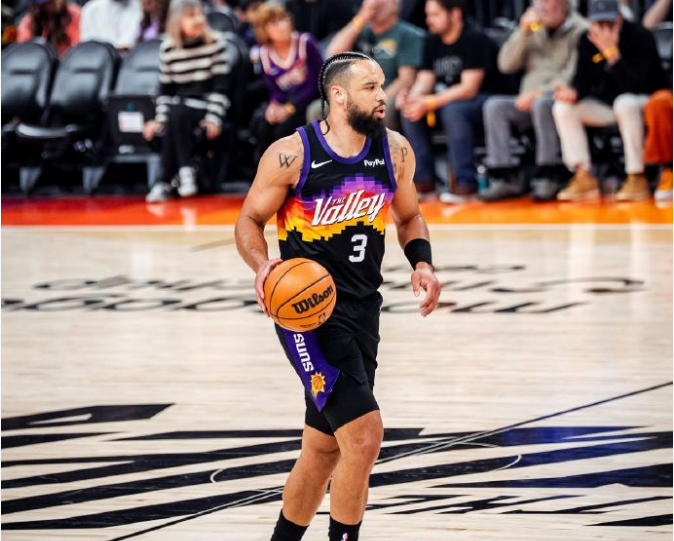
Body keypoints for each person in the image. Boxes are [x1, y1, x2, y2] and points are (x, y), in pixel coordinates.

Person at [235, 52, 441, 541]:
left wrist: (423, 262)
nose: (383, 95)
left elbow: (409, 216)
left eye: (382, 85)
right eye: (371, 87)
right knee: (364, 437)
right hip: (307, 317)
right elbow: (249, 220)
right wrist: (262, 265)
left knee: (322, 449)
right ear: (338, 95)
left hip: (364, 310)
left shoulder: (395, 151)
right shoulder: (292, 154)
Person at [398, 0, 514, 201]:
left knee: (454, 110)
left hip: (487, 99)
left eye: (435, 14)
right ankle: (423, 182)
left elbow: (469, 88)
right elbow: (425, 80)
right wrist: (413, 98)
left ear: (455, 14)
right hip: (450, 100)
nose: (429, 20)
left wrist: (429, 102)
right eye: (428, 14)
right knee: (411, 112)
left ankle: (465, 184)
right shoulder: (432, 41)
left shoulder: (475, 39)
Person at [552, 0, 667, 202]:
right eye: (599, 24)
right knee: (563, 108)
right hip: (608, 106)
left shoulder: (640, 36)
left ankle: (636, 175)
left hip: (643, 102)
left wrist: (612, 55)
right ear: (590, 22)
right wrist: (573, 92)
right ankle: (583, 175)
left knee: (625, 102)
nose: (604, 30)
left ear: (620, 18)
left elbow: (636, 85)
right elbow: (582, 80)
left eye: (609, 23)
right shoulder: (587, 40)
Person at [481, 0, 587, 202]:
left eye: (547, 1)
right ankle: (505, 176)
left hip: (559, 99)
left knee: (542, 104)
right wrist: (522, 33)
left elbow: (573, 75)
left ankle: (549, 174)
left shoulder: (580, 29)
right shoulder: (532, 28)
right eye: (537, 2)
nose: (541, 7)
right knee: (494, 106)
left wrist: (538, 93)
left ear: (564, 4)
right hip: (526, 101)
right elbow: (505, 65)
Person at [143, 0, 234, 202]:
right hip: (179, 109)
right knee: (176, 112)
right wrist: (160, 120)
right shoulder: (168, 48)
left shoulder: (215, 44)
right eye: (191, 16)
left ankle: (164, 181)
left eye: (201, 14)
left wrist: (213, 119)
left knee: (178, 111)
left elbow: (221, 89)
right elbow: (165, 91)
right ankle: (184, 173)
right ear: (177, 21)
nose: (199, 19)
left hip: (206, 106)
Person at [326, 0, 425, 130]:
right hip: (357, 94)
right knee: (319, 108)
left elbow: (406, 79)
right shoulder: (360, 31)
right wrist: (360, 17)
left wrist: (376, 99)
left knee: (385, 109)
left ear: (394, 5)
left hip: (389, 94)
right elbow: (333, 54)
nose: (373, 5)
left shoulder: (406, 34)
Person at [251, 3, 323, 162]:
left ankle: (293, 171)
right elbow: (274, 90)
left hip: (308, 100)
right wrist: (274, 105)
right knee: (263, 124)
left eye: (283, 19)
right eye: (275, 23)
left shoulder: (305, 43)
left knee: (283, 131)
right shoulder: (264, 53)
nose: (282, 25)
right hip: (286, 102)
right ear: (264, 29)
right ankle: (263, 170)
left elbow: (316, 84)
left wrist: (290, 108)